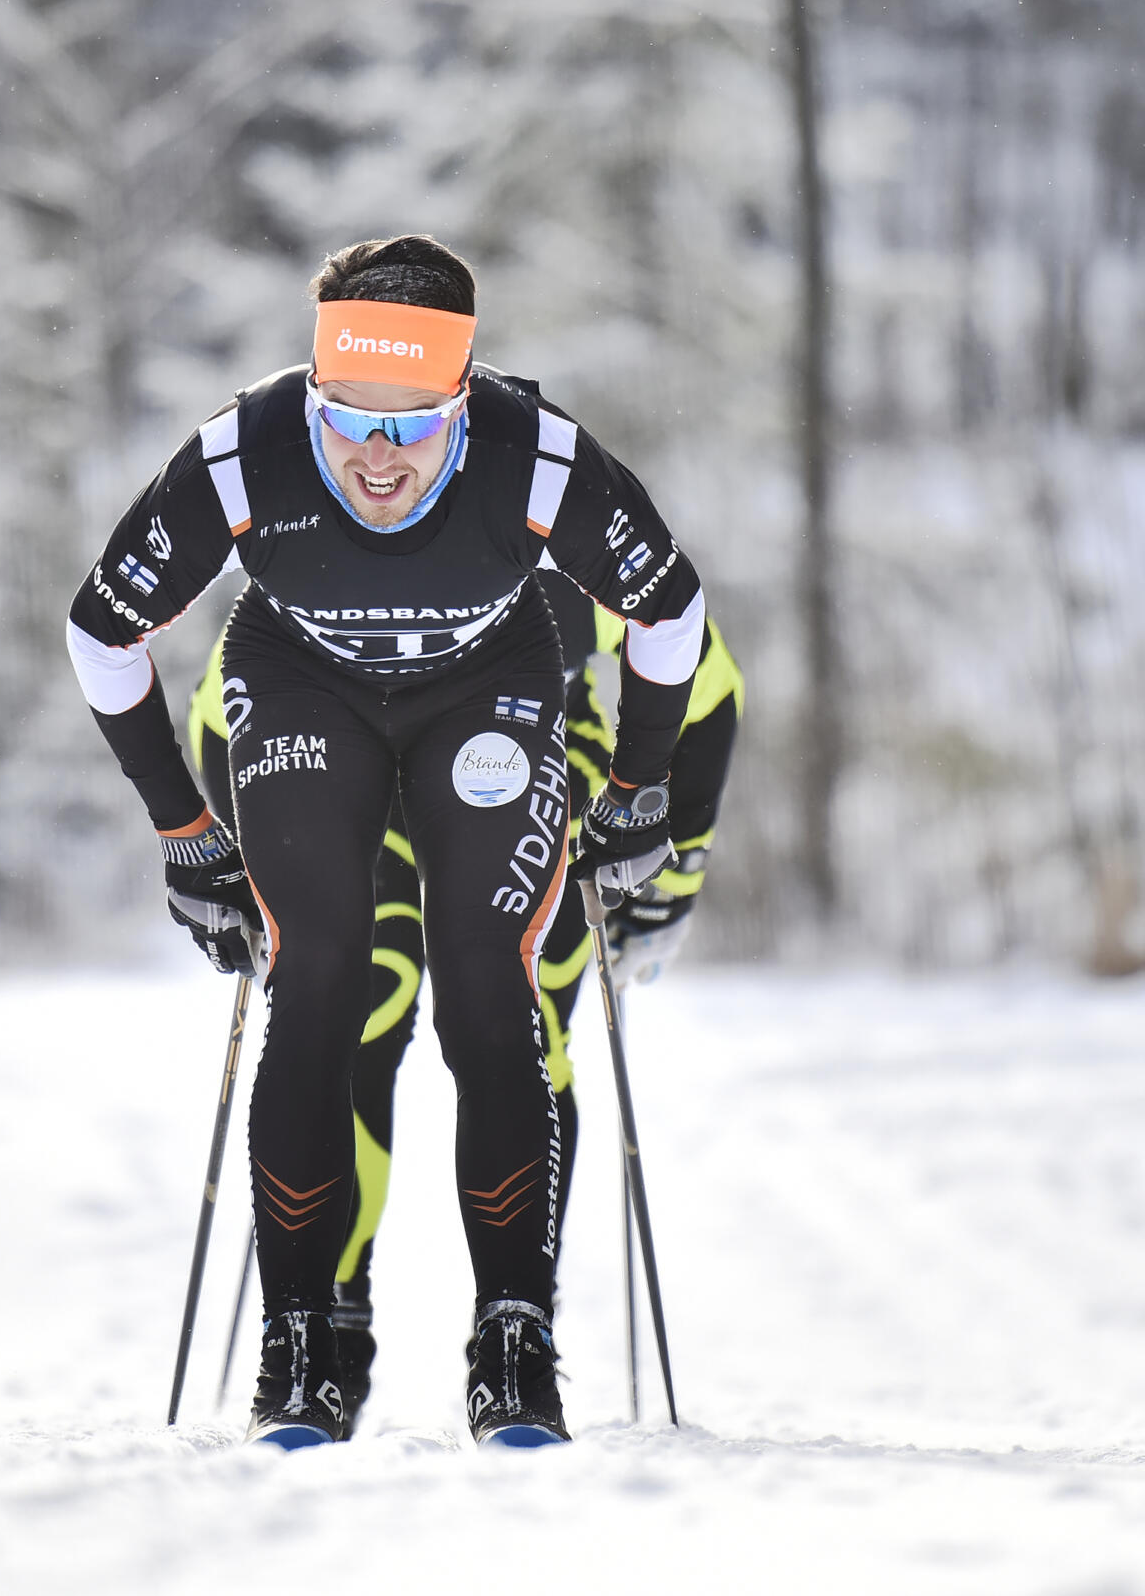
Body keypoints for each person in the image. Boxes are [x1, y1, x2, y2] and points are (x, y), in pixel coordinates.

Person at [66, 235, 707, 1447]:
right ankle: (298, 1346)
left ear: (463, 398)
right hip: (302, 682)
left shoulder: (538, 453)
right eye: (346, 415)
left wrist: (637, 789)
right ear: (314, 384)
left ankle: (514, 1341)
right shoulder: (241, 451)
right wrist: (182, 828)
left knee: (485, 987)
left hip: (489, 682)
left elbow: (669, 611)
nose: (375, 454)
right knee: (318, 974)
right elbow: (100, 633)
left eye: (412, 425)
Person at [182, 569, 744, 1425]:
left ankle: (516, 1334)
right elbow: (219, 713)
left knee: (522, 1012)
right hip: (364, 781)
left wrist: (675, 864)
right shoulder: (329, 537)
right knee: (361, 1007)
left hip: (522, 770)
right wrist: (263, 873)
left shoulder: (546, 536)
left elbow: (708, 682)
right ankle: (326, 1325)